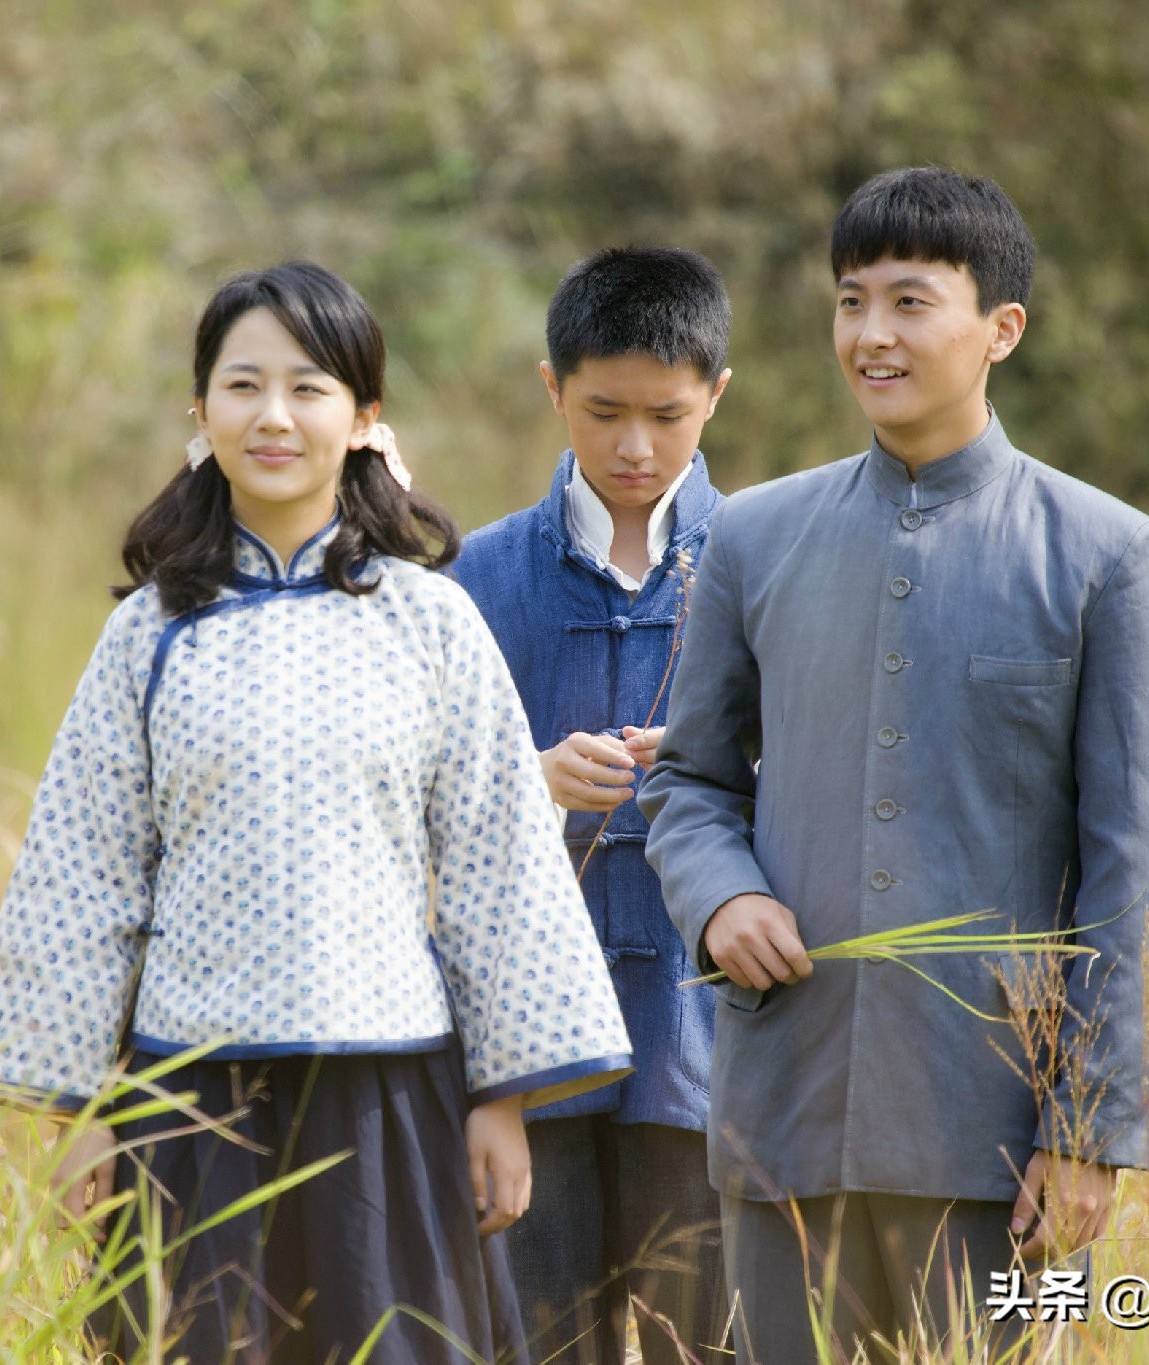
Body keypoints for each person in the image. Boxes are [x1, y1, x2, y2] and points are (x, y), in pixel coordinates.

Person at [0, 260, 633, 1364]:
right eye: (243, 386)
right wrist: (77, 1114)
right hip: (187, 1105)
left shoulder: (430, 622)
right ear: (200, 411)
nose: (273, 417)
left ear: (364, 418)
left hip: (391, 1099)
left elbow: (497, 859)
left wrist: (502, 1101)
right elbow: (84, 866)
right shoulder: (149, 633)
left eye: (309, 388)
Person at [642, 168, 1149, 1361]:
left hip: (998, 1131)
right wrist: (719, 895)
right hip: (782, 1109)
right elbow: (686, 782)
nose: (871, 336)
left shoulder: (1107, 555)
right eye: (849, 302)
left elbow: (1132, 877)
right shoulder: (750, 535)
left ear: (1000, 329)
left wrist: (1089, 1128)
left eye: (908, 301)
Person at [452, 246, 733, 1363]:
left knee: (698, 1341)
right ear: (550, 388)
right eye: (601, 410)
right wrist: (528, 775)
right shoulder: (472, 577)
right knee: (534, 1343)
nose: (633, 447)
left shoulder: (766, 563)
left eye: (667, 416)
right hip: (526, 1060)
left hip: (700, 1039)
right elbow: (417, 800)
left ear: (717, 394)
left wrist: (713, 767)